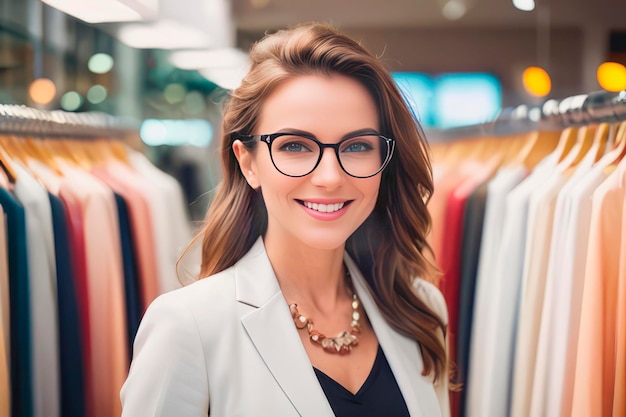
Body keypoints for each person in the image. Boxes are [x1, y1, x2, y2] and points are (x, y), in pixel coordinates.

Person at [120, 22, 451, 417]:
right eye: (295, 146)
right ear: (248, 163)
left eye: (358, 145)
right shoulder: (188, 326)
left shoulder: (418, 309)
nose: (330, 177)